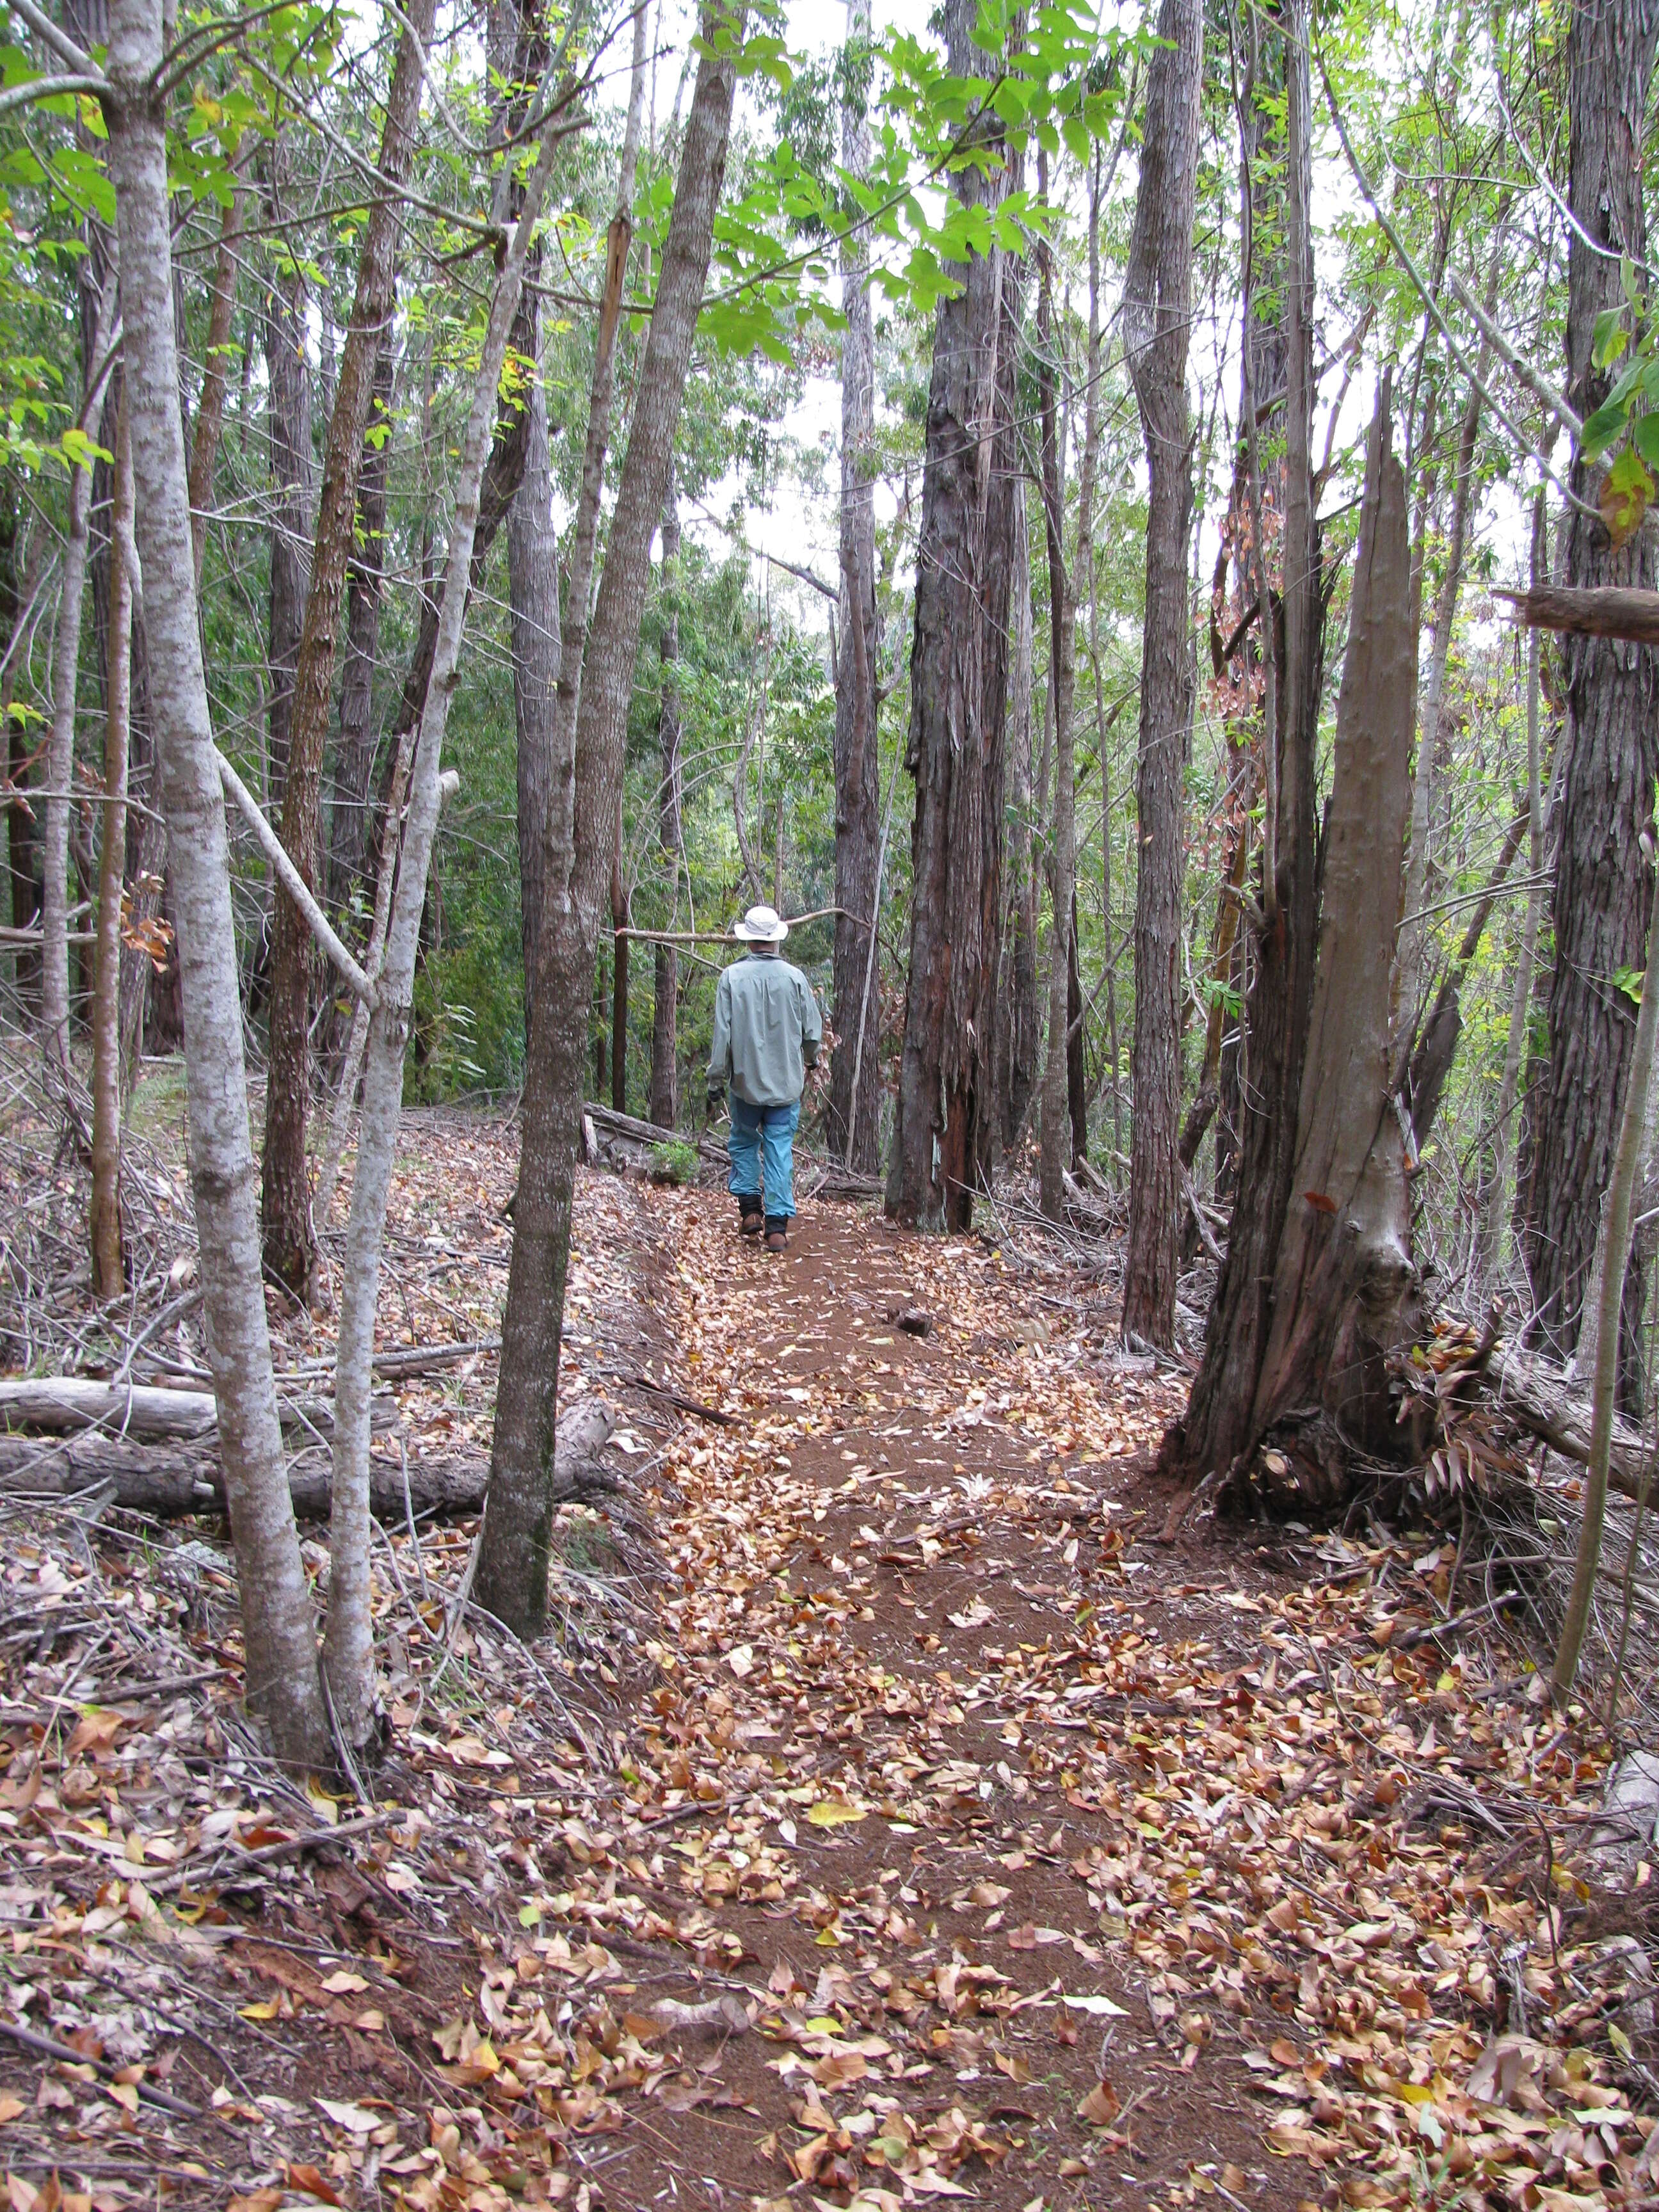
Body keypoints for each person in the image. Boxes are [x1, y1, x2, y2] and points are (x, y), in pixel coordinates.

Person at [706, 904, 824, 1251]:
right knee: (778, 1149)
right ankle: (777, 1226)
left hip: (745, 1086)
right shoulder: (795, 978)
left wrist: (715, 1080)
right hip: (786, 1087)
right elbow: (812, 1031)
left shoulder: (731, 978)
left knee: (743, 1142)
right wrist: (811, 1059)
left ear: (750, 940)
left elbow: (721, 1037)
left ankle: (750, 1211)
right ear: (774, 940)